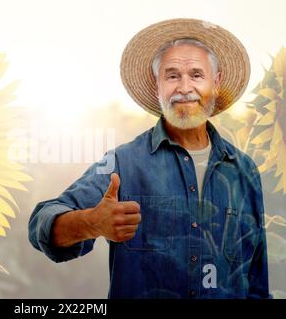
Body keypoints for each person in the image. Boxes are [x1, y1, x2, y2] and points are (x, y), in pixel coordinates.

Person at [28, 18, 270, 298]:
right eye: (172, 76)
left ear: (216, 83)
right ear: (157, 87)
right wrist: (92, 222)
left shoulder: (245, 170)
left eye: (196, 74)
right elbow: (41, 223)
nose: (184, 87)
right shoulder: (123, 163)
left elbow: (257, 283)